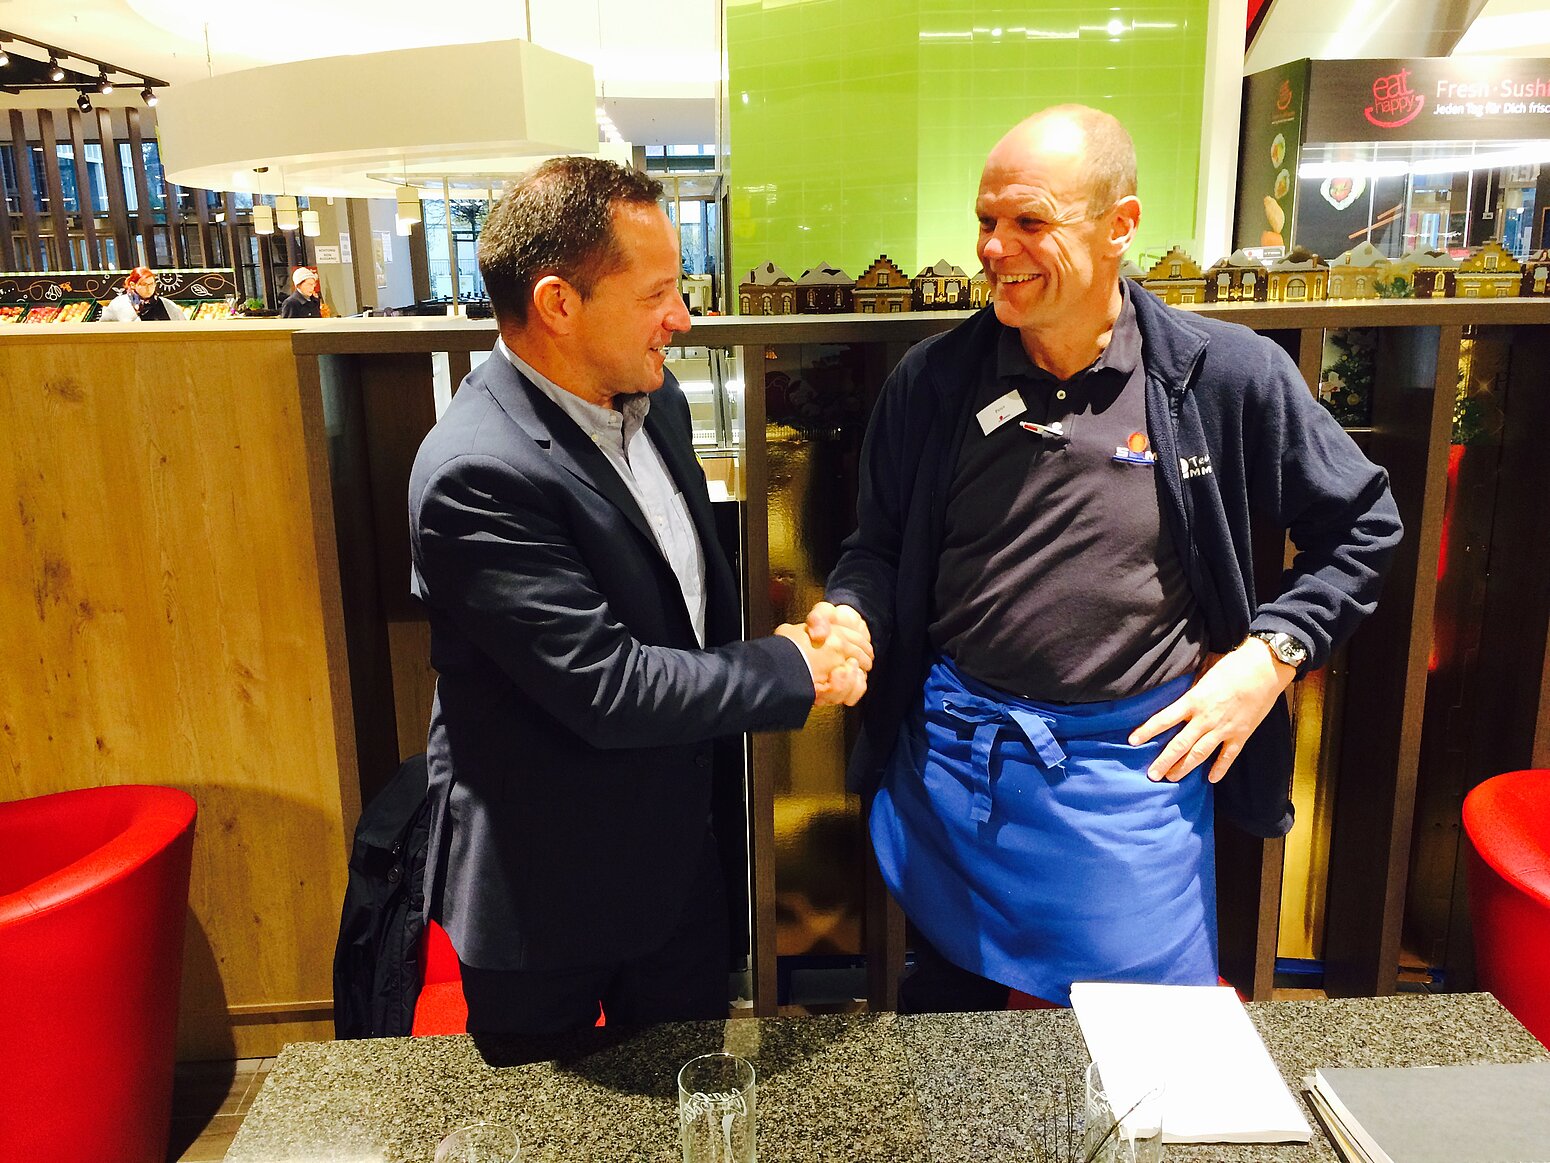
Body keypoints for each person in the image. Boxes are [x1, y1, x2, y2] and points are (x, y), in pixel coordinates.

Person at [807, 105, 1403, 1013]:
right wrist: (853, 613)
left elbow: (1363, 523)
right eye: (986, 220)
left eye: (1030, 221)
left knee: (1147, 1045)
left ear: (1120, 225)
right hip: (961, 768)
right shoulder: (932, 381)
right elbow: (878, 550)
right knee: (958, 1036)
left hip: (1130, 780)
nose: (994, 248)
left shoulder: (1224, 374)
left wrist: (1271, 655)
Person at [407, 157, 871, 1035]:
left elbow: (683, 609)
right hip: (547, 896)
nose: (682, 318)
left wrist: (792, 637)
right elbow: (607, 686)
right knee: (546, 1108)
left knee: (689, 1078)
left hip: (677, 870)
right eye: (657, 293)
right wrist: (794, 668)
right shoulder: (476, 472)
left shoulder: (656, 405)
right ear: (558, 303)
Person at [98, 267, 187, 322]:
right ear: (133, 285)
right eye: (144, 284)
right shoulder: (119, 304)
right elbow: (104, 328)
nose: (149, 288)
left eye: (151, 284)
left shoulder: (167, 305)